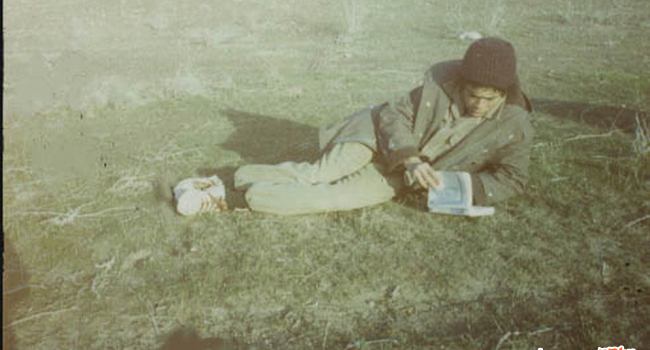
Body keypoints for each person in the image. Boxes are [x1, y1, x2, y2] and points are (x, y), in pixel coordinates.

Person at [183, 37, 534, 216]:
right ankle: (222, 182)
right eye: (472, 95)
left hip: (402, 176)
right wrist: (411, 158)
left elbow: (513, 179)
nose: (478, 105)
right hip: (376, 137)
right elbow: (393, 115)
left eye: (490, 99)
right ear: (461, 82)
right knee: (320, 172)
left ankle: (229, 197)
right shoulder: (440, 84)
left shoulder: (515, 124)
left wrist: (459, 186)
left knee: (334, 197)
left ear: (505, 92)